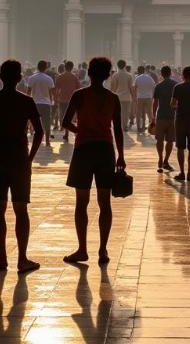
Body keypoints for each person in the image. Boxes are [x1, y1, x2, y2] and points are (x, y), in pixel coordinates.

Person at [0, 59, 43, 272]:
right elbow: (39, 132)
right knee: (21, 209)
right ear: (19, 78)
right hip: (19, 159)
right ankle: (22, 258)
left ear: (0, 76)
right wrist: (30, 158)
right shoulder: (26, 101)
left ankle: (2, 256)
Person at [61, 56, 126, 265]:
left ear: (88, 73)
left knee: (82, 202)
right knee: (104, 203)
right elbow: (117, 129)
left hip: (83, 150)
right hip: (105, 150)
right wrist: (121, 156)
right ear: (108, 75)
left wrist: (81, 131)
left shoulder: (79, 95)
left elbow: (65, 122)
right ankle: (103, 250)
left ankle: (82, 249)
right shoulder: (112, 98)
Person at [152, 65, 176, 172]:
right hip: (172, 116)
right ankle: (166, 160)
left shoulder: (158, 86)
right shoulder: (175, 85)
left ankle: (160, 159)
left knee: (159, 140)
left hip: (161, 115)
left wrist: (153, 116)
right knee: (170, 140)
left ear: (161, 74)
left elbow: (155, 103)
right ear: (170, 73)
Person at [26, 61, 55, 146]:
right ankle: (47, 141)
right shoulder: (49, 79)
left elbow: (28, 92)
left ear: (37, 67)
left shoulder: (32, 78)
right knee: (47, 122)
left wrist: (27, 102)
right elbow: (51, 92)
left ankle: (35, 137)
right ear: (46, 68)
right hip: (46, 103)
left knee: (33, 121)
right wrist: (51, 101)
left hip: (35, 102)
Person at [55, 63, 80, 142]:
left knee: (63, 116)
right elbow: (78, 88)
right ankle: (69, 132)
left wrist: (55, 98)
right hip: (72, 100)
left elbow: (56, 88)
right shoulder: (74, 77)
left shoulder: (60, 77)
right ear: (72, 68)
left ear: (65, 67)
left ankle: (66, 132)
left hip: (62, 99)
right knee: (71, 116)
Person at [109, 60, 134, 132]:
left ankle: (120, 126)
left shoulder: (115, 75)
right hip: (127, 97)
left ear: (117, 65)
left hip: (118, 97)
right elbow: (131, 87)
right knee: (126, 113)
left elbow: (114, 87)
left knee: (119, 113)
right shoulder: (129, 75)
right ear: (125, 65)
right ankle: (125, 126)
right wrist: (133, 97)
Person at [133, 66, 156, 133]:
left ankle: (139, 127)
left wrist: (134, 97)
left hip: (140, 97)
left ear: (138, 71)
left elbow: (135, 88)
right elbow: (153, 86)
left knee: (139, 112)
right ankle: (152, 127)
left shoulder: (137, 78)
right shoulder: (149, 78)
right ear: (144, 70)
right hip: (148, 97)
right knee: (149, 112)